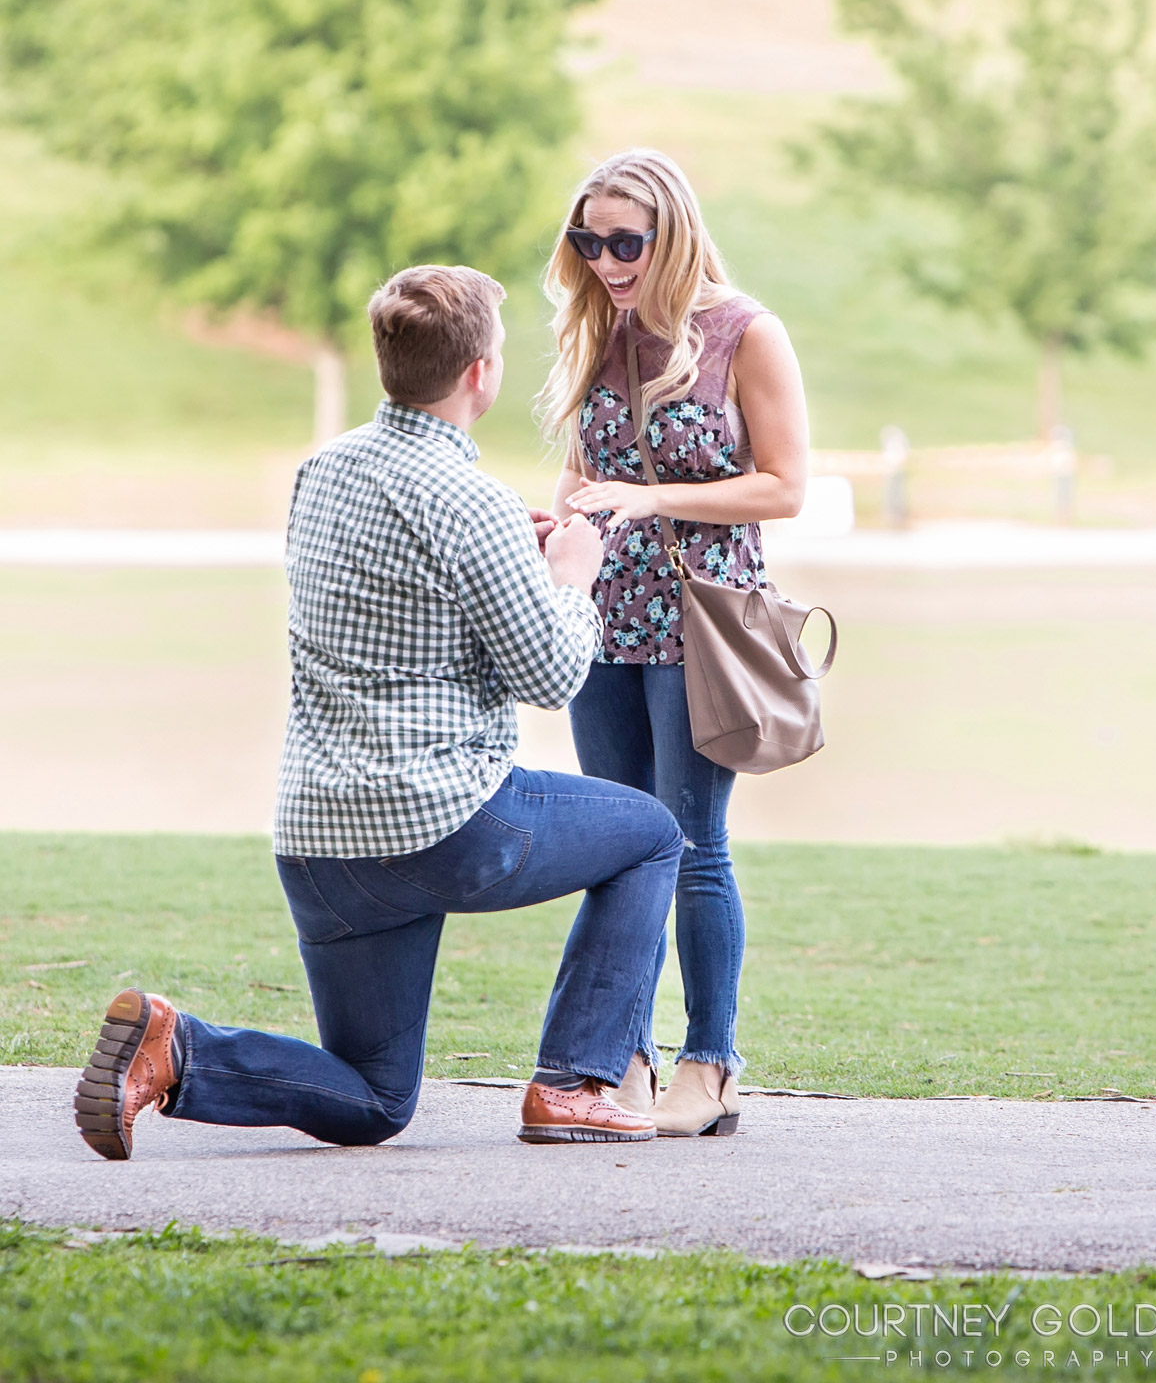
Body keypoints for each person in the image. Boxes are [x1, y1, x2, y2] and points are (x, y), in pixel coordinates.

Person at [73, 264, 685, 1160]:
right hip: (443, 826)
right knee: (652, 834)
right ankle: (574, 1084)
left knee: (374, 1102)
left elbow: (393, 588)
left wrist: (506, 553)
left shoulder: (320, 472)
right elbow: (551, 673)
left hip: (319, 838)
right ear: (480, 372)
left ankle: (177, 1047)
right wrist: (571, 573)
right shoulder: (468, 500)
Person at [540, 150, 809, 1137]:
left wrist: (654, 499)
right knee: (619, 848)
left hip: (701, 623)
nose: (605, 261)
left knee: (692, 845)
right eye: (587, 241)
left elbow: (783, 486)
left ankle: (712, 1063)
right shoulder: (596, 331)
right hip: (604, 617)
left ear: (673, 233)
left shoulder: (744, 332)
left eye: (624, 242)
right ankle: (626, 1060)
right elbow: (584, 474)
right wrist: (559, 519)